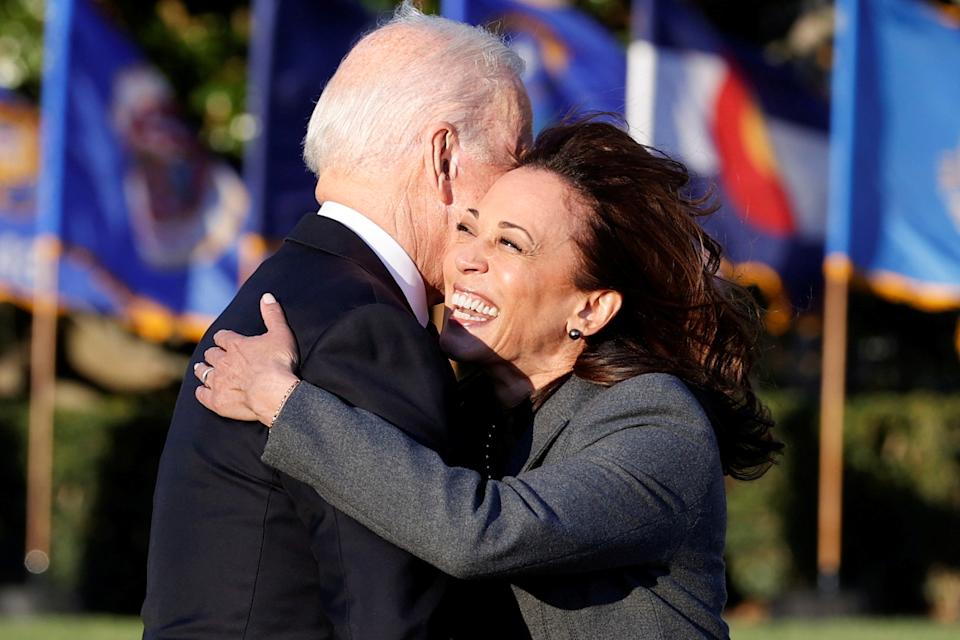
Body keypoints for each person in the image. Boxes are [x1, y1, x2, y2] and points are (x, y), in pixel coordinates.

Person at [195, 120, 783, 639]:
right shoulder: (475, 407)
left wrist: (283, 401)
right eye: (468, 229)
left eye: (509, 244)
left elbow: (482, 533)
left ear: (590, 308)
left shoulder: (657, 422)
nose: (467, 260)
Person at [141, 4, 532, 639]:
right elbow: (391, 617)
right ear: (444, 157)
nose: (523, 192)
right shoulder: (363, 327)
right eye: (516, 159)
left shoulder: (299, 292)